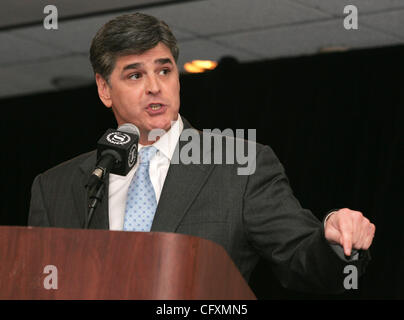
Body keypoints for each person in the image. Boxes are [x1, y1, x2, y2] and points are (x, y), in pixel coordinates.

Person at [28, 12, 375, 294]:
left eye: (164, 70)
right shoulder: (55, 187)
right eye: (135, 75)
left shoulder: (238, 166)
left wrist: (336, 240)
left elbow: (305, 261)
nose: (154, 86)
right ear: (105, 89)